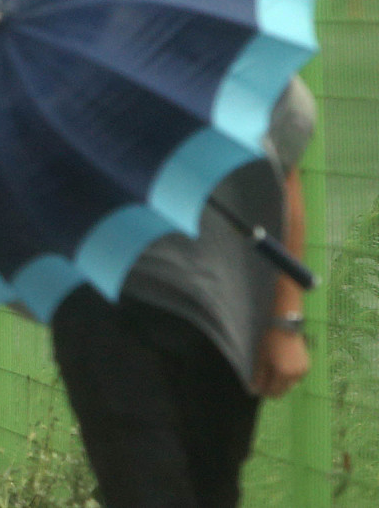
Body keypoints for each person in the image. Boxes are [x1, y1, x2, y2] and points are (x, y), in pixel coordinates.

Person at [49, 78, 316, 508]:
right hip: (104, 312)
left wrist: (285, 316)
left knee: (213, 490)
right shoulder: (55, 60)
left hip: (225, 311)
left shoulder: (223, 33)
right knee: (146, 493)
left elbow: (282, 172)